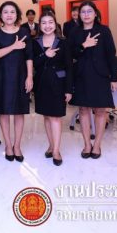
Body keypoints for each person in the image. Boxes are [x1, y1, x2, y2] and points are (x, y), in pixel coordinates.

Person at [69, 0, 117, 159]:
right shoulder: (75, 32)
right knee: (83, 110)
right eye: (83, 12)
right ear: (79, 15)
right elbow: (70, 54)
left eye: (89, 11)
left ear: (95, 14)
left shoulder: (104, 30)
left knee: (100, 111)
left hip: (100, 76)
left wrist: (114, 78)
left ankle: (97, 144)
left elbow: (111, 55)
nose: (86, 15)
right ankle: (87, 144)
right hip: (81, 75)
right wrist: (84, 45)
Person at [0, 1, 33, 163]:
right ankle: (8, 145)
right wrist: (14, 46)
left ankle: (17, 146)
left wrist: (29, 76)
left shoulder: (24, 32)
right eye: (5, 12)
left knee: (19, 112)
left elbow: (29, 56)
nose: (9, 15)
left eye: (12, 12)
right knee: (4, 111)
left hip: (20, 76)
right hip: (2, 76)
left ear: (17, 15)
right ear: (0, 15)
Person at [32, 10, 72, 166]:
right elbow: (33, 63)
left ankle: (56, 150)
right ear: (39, 25)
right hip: (41, 84)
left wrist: (68, 89)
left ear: (55, 24)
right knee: (46, 117)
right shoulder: (35, 42)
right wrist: (45, 55)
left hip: (58, 84)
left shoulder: (63, 42)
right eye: (44, 23)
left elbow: (69, 66)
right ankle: (51, 145)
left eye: (50, 22)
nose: (47, 26)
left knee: (55, 117)